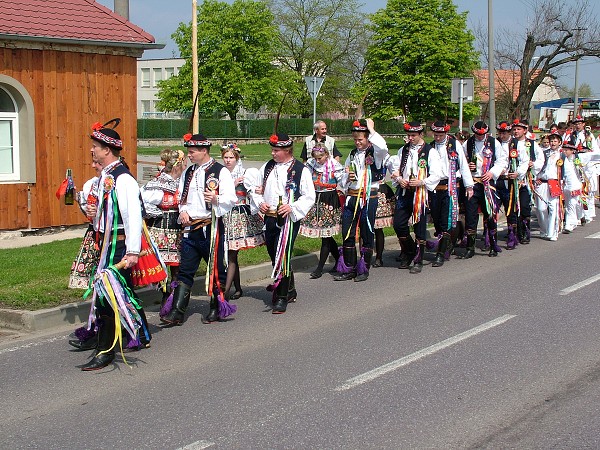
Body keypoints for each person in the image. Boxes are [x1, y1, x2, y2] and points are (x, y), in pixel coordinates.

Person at [81, 119, 152, 371]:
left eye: (95, 146)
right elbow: (104, 211)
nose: (92, 150)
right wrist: (92, 211)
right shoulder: (106, 177)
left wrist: (133, 251)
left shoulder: (123, 179)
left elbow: (133, 216)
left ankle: (106, 350)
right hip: (106, 244)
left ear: (107, 150)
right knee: (117, 294)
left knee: (107, 298)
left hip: (118, 247)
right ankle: (139, 334)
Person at [160, 133, 237, 326]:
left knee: (216, 268)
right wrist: (183, 211)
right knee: (185, 270)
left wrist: (216, 199)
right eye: (189, 151)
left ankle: (216, 307)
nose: (189, 155)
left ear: (204, 151)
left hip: (211, 227)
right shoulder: (189, 172)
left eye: (192, 151)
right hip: (190, 229)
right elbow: (183, 198)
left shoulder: (220, 172)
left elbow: (231, 199)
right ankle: (177, 312)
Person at [248, 133, 315, 314]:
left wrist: (292, 207)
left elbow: (309, 196)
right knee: (273, 255)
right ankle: (290, 289)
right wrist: (259, 201)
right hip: (269, 218)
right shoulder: (268, 167)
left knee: (282, 255)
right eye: (272, 149)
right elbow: (255, 189)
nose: (273, 153)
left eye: (276, 150)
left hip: (288, 220)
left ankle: (282, 297)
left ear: (287, 150)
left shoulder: (301, 169)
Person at [334, 118, 388, 282]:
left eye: (360, 139)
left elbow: (383, 148)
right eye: (355, 139)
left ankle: (363, 268)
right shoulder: (352, 154)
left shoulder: (375, 153)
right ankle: (349, 267)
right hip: (352, 196)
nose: (357, 142)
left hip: (368, 196)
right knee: (347, 233)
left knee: (367, 231)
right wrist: (347, 177)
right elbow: (344, 176)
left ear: (367, 138)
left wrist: (371, 130)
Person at [390, 121, 442, 274]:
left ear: (421, 134)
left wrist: (421, 182)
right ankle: (410, 250)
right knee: (399, 224)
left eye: (413, 135)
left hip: (420, 194)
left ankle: (418, 259)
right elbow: (396, 170)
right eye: (408, 135)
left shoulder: (430, 151)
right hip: (405, 192)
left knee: (419, 226)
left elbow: (436, 174)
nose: (410, 138)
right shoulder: (403, 150)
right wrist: (400, 180)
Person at [141, 148, 186, 310]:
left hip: (177, 228)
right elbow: (143, 202)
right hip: (160, 228)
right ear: (176, 166)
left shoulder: (181, 181)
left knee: (177, 264)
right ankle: (166, 295)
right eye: (183, 163)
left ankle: (172, 297)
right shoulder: (158, 183)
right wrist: (158, 211)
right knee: (161, 265)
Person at [220, 143, 265, 299]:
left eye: (231, 157)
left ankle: (225, 292)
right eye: (225, 157)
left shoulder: (245, 174)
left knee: (232, 253)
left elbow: (255, 192)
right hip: (224, 215)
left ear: (236, 158)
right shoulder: (220, 174)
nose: (228, 160)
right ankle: (237, 288)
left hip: (239, 215)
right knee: (229, 253)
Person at [67, 156, 102, 352]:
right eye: (93, 162)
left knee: (112, 286)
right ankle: (96, 327)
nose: (93, 166)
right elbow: (86, 212)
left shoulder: (117, 182)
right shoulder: (91, 184)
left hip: (110, 238)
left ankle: (102, 328)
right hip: (94, 235)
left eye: (97, 162)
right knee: (96, 284)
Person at [428, 120, 473, 267]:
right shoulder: (430, 147)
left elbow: (464, 165)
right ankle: (446, 244)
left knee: (446, 219)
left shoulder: (455, 144)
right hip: (435, 187)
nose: (438, 137)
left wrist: (469, 186)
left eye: (440, 135)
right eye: (435, 135)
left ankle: (440, 254)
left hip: (451, 186)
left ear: (446, 133)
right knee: (436, 218)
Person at [460, 121, 507, 258]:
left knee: (490, 214)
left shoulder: (494, 143)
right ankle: (470, 247)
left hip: (488, 182)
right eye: (477, 135)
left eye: (482, 135)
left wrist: (492, 172)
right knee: (470, 216)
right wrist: (469, 166)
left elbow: (502, 160)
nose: (480, 137)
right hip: (472, 183)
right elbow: (461, 162)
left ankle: (493, 245)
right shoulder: (467, 144)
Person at [300, 143, 344, 278]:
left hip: (329, 198)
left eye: (320, 158)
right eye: (316, 158)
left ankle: (319, 268)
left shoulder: (334, 165)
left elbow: (343, 181)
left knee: (326, 235)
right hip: (316, 198)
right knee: (325, 234)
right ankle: (338, 260)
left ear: (326, 154)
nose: (318, 160)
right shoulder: (310, 164)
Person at [533, 132, 578, 241]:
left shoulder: (562, 156)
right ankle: (544, 229)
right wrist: (535, 178)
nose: (553, 143)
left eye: (555, 141)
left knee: (554, 208)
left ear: (559, 143)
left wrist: (571, 186)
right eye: (551, 141)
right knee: (540, 209)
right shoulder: (543, 153)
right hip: (542, 182)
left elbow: (568, 172)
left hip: (555, 183)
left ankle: (553, 232)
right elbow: (537, 167)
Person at [568, 115, 599, 224]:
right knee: (578, 188)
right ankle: (579, 213)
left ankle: (588, 213)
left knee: (588, 189)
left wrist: (586, 155)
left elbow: (595, 151)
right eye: (576, 124)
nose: (577, 125)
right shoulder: (571, 136)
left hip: (587, 165)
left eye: (579, 123)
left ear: (583, 124)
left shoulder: (589, 135)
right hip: (575, 163)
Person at [562, 142, 583, 233]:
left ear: (572, 151)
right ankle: (578, 217)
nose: (565, 151)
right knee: (569, 204)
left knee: (572, 204)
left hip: (575, 185)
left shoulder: (577, 158)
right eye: (564, 150)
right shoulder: (562, 159)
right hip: (565, 185)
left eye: (567, 150)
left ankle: (569, 225)